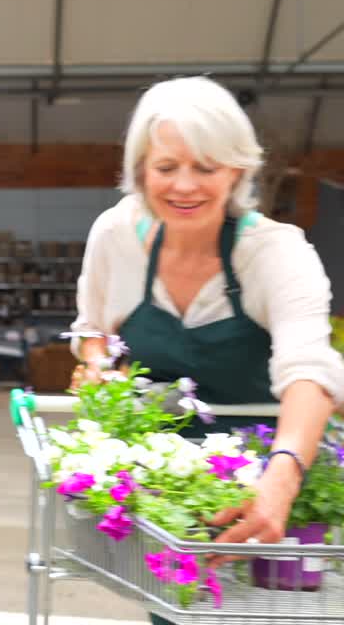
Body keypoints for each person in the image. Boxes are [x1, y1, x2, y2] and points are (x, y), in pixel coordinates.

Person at [69, 76, 344, 624]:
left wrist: (281, 477)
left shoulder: (274, 253)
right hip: (170, 489)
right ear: (141, 169)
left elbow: (310, 372)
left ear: (236, 170)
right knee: (177, 613)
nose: (185, 185)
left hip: (270, 476)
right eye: (167, 167)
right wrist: (99, 366)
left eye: (206, 167)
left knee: (270, 612)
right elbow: (92, 329)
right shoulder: (115, 237)